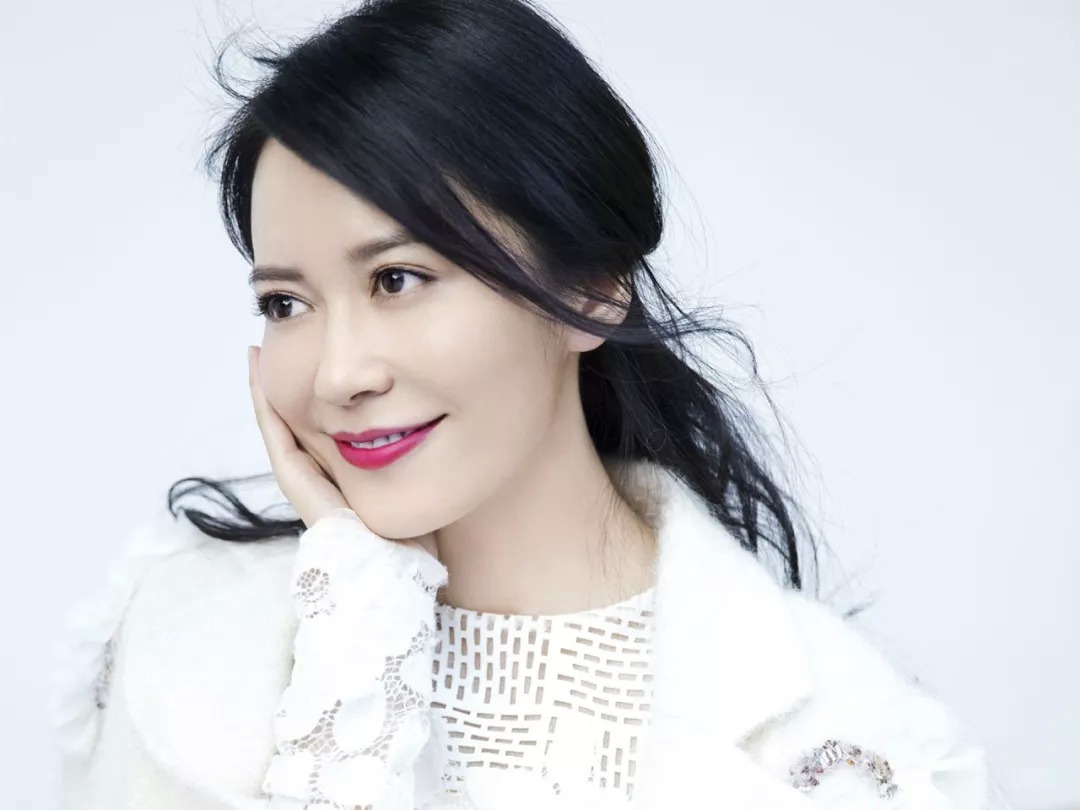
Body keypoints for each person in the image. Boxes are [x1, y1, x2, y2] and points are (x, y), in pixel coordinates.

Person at [49, 0, 1013, 807]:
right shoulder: (180, 651)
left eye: (397, 280)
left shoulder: (843, 744)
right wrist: (356, 630)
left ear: (592, 286)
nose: (338, 375)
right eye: (286, 305)